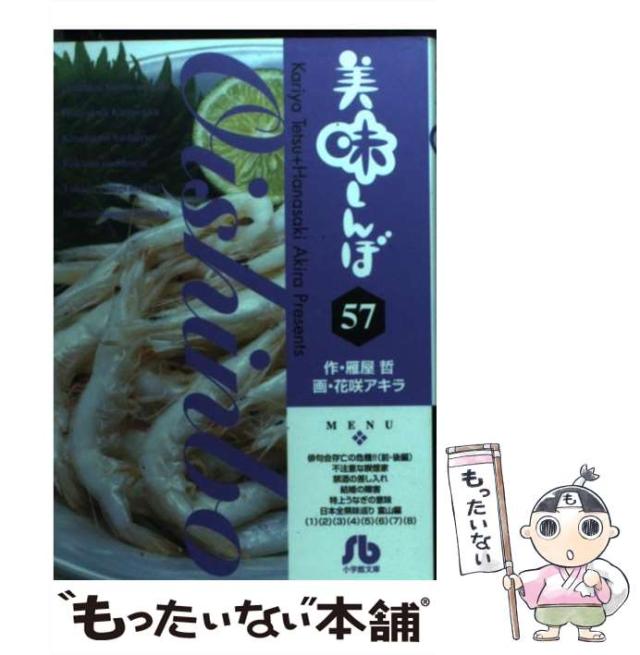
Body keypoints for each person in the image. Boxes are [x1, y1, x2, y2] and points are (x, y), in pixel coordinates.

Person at [503, 465, 628, 642]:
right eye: (549, 528)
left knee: (588, 617)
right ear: (529, 532)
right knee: (550, 616)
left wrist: (598, 583)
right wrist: (517, 582)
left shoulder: (594, 569)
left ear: (610, 532)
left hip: (587, 609)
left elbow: (605, 595)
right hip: (551, 608)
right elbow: (534, 580)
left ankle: (585, 630)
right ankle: (552, 629)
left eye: (590, 528)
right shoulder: (548, 572)